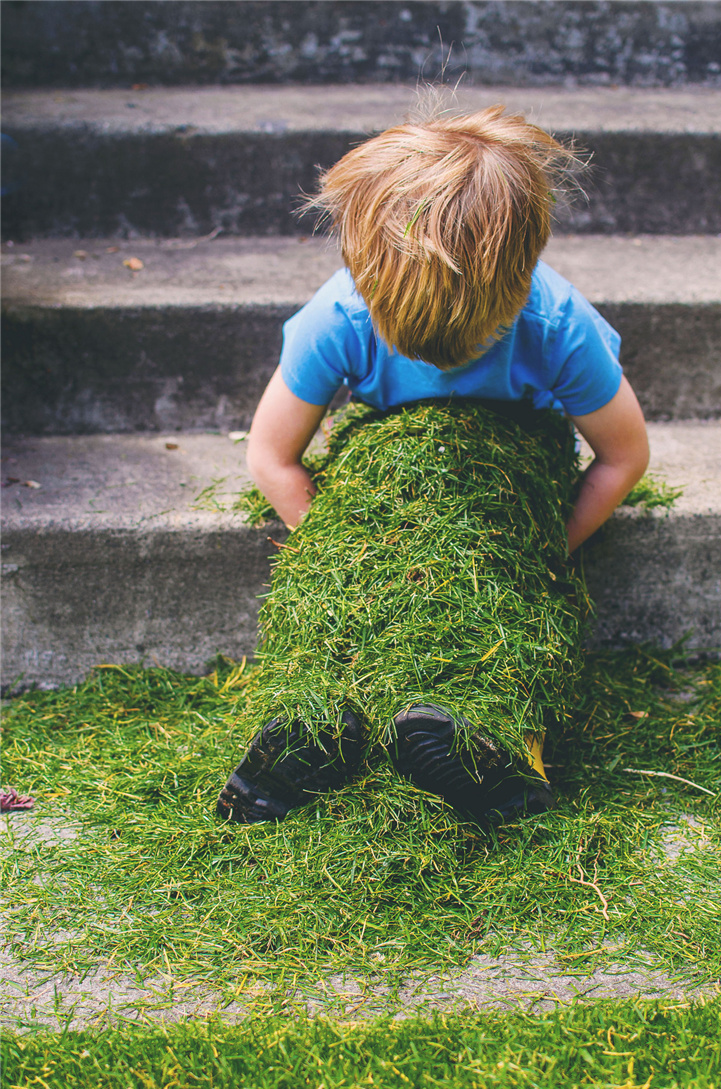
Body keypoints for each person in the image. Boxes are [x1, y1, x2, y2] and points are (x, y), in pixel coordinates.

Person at [217, 103, 649, 828]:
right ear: (361, 274)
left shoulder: (555, 327)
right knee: (333, 618)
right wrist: (342, 554)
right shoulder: (342, 316)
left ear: (521, 280)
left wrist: (543, 550)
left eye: (475, 342)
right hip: (382, 496)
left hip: (505, 501)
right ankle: (311, 724)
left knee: (504, 622)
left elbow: (624, 455)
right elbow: (272, 455)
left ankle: (491, 745)